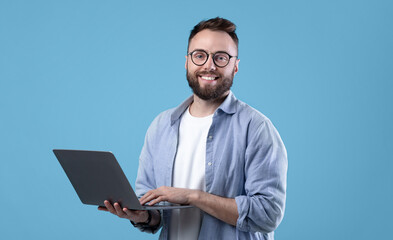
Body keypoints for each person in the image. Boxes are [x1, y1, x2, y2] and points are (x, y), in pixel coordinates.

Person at [98, 17, 288, 240]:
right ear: (187, 62)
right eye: (200, 55)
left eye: (221, 57)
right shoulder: (161, 126)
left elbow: (268, 213)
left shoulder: (256, 128)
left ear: (235, 66)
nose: (209, 65)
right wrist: (143, 216)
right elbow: (155, 212)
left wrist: (193, 197)